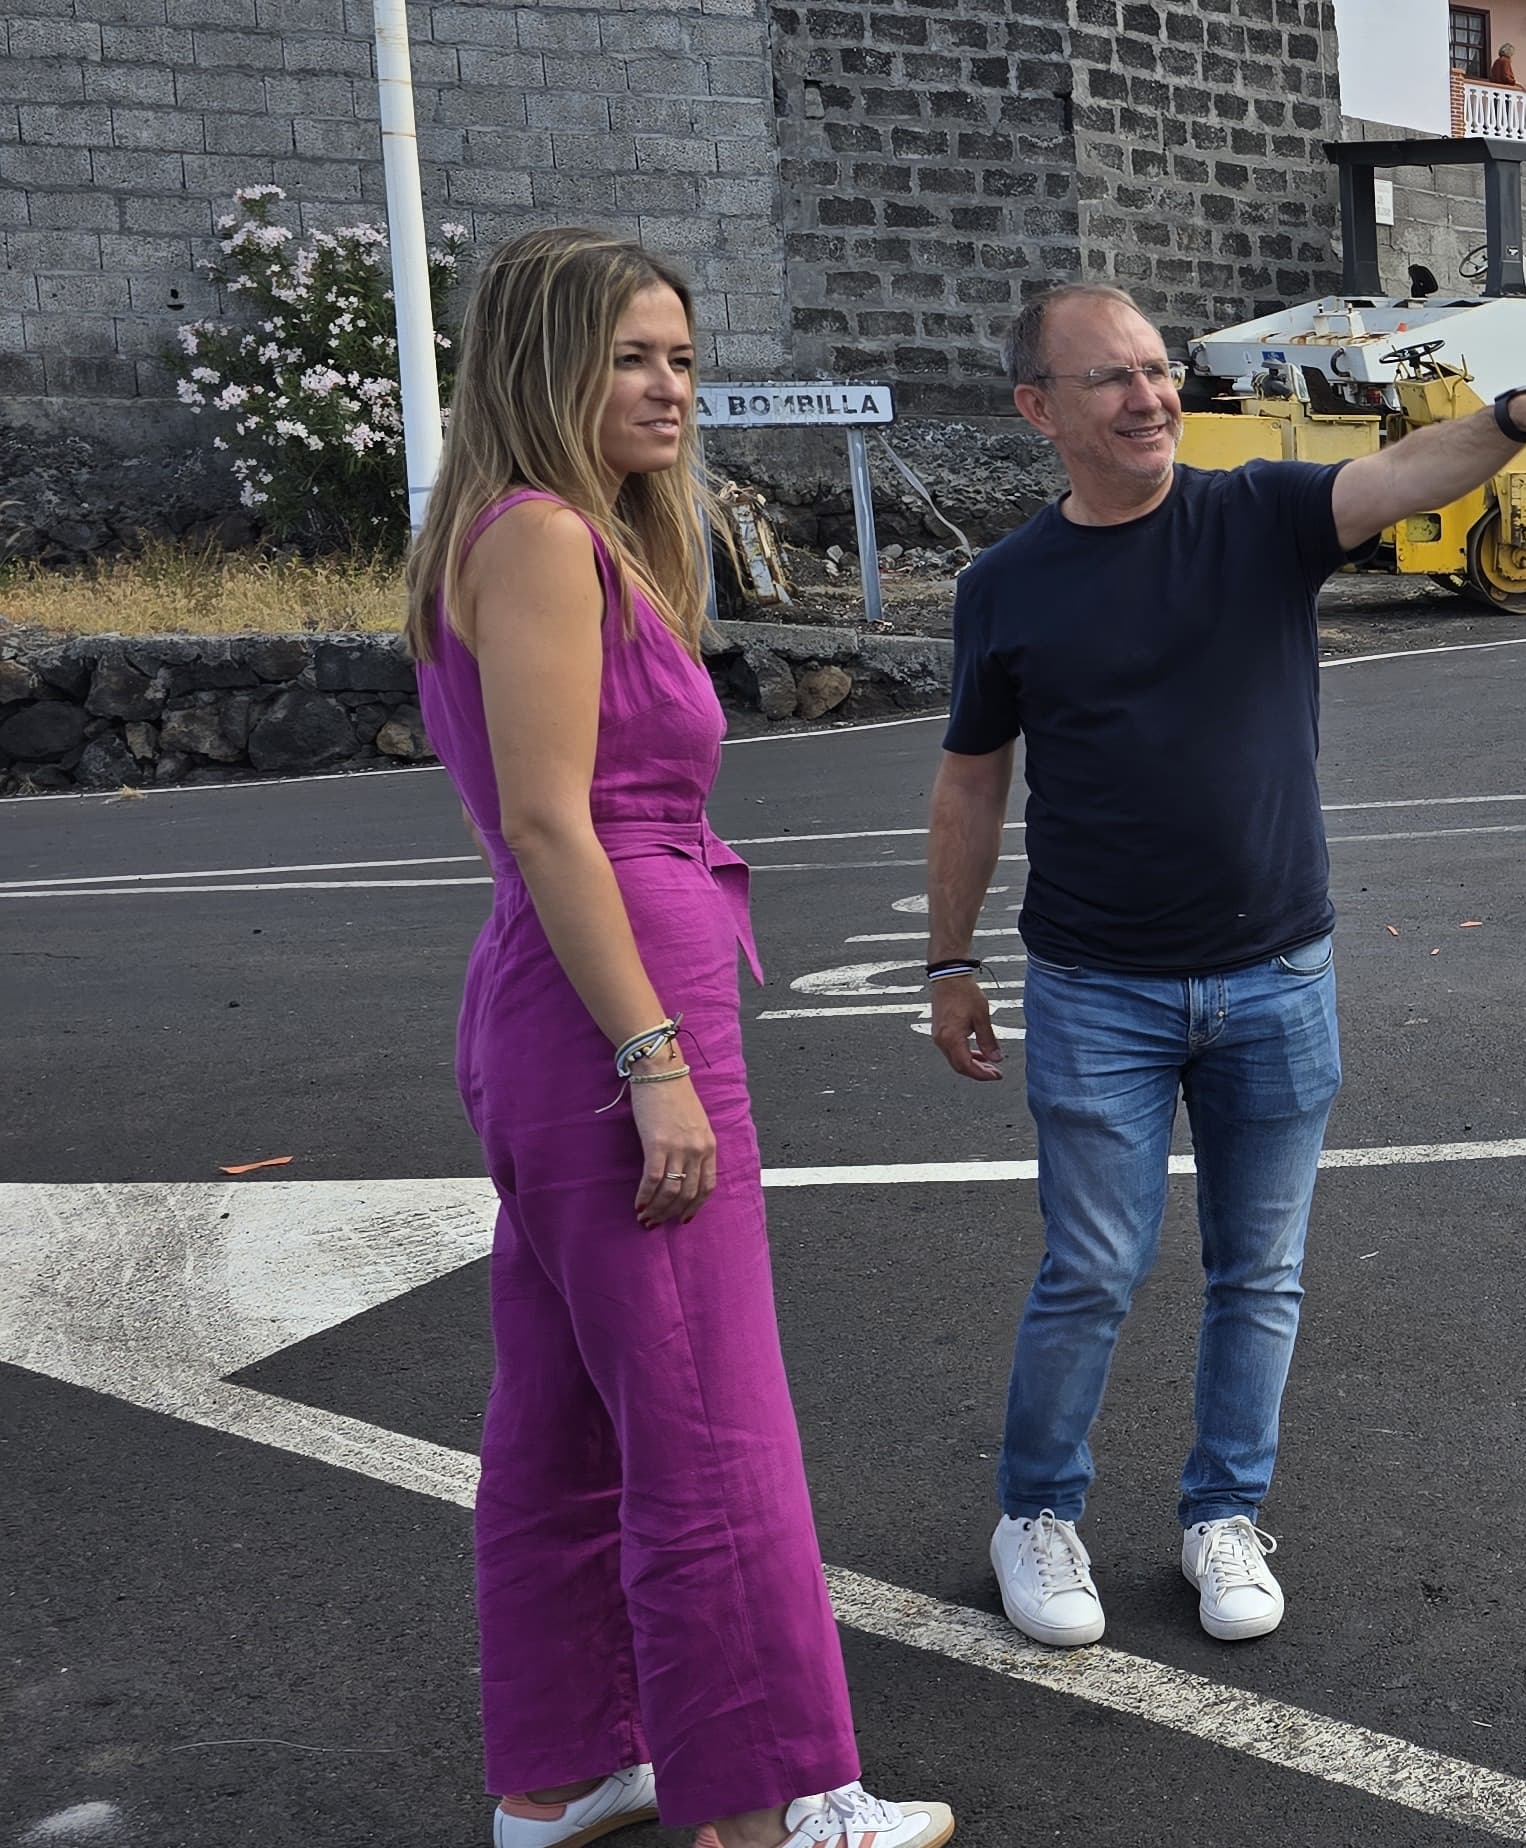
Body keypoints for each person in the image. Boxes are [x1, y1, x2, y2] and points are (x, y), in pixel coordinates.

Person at [925, 282, 1526, 1647]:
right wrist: (948, 962)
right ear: (1038, 409)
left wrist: (1521, 416)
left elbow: (1403, 470)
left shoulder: (1252, 516)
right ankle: (1036, 1513)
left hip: (1277, 980)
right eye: (1111, 378)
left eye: (1157, 368)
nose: (1149, 396)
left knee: (1263, 1271)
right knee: (1092, 1267)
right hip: (1097, 989)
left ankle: (1222, 1516)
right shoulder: (1005, 588)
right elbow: (969, 785)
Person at [408, 228, 952, 1848]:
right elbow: (550, 825)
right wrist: (653, 1064)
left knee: (574, 1416)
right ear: (544, 365)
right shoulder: (542, 541)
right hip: (609, 1012)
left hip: (572, 997)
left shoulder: (535, 537)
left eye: (683, 358)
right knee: (711, 1423)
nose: (668, 386)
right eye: (631, 355)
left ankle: (567, 1770)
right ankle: (774, 1797)